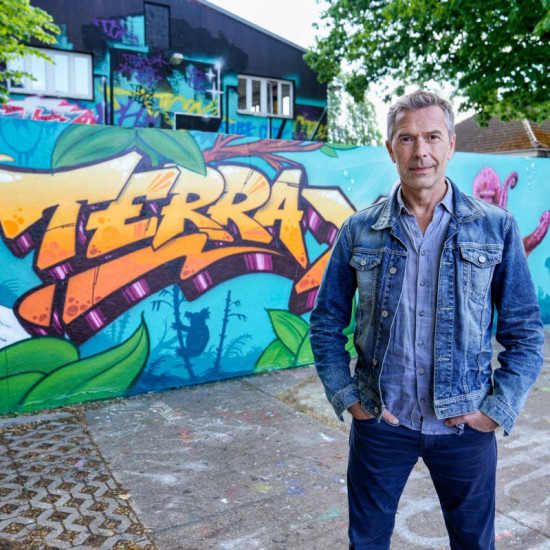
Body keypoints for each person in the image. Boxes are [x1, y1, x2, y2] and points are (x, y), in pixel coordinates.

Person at [309, 90, 545, 550]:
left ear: (451, 144)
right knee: (367, 543)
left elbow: (525, 333)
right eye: (407, 138)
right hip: (382, 425)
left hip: (464, 428)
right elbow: (325, 323)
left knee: (474, 544)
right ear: (390, 148)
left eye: (433, 137)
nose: (421, 151)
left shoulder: (495, 226)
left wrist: (495, 411)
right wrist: (350, 399)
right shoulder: (360, 230)